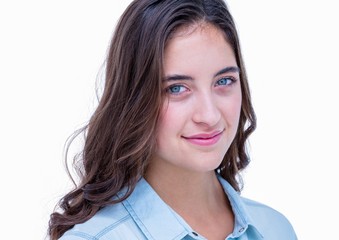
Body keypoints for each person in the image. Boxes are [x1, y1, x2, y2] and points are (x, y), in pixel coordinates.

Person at [48, 0, 297, 239]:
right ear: (134, 99)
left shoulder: (276, 230)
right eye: (177, 88)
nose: (209, 115)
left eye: (223, 81)